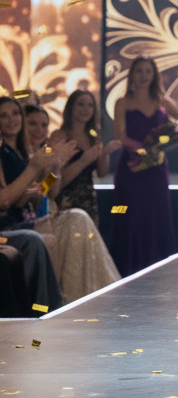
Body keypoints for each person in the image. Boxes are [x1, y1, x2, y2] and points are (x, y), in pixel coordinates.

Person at [24, 101, 121, 303]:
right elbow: (31, 194)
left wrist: (55, 170)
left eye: (44, 125)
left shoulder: (43, 153)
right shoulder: (19, 155)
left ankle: (97, 297)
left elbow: (50, 192)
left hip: (49, 214)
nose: (39, 130)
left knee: (80, 218)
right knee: (78, 220)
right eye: (32, 124)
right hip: (28, 222)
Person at [109, 57, 178, 276]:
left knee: (156, 215)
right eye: (139, 71)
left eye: (148, 71)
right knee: (129, 216)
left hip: (155, 170)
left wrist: (164, 142)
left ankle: (158, 268)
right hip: (131, 168)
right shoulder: (122, 102)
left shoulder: (163, 101)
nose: (143, 76)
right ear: (132, 75)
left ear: (154, 75)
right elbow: (120, 136)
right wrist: (145, 149)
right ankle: (127, 269)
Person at [0, 95, 75, 313]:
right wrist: (35, 170)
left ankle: (53, 307)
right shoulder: (4, 154)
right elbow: (7, 200)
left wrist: (54, 171)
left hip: (27, 217)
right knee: (41, 237)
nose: (11, 119)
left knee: (74, 220)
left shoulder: (23, 153)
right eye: (3, 115)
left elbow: (41, 193)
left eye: (15, 113)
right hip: (10, 224)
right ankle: (44, 311)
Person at [50, 89, 121, 228]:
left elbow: (101, 173)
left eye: (90, 105)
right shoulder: (59, 136)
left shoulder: (93, 137)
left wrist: (105, 154)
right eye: (81, 104)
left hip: (89, 199)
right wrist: (83, 161)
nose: (86, 109)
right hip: (65, 201)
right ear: (71, 107)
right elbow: (54, 180)